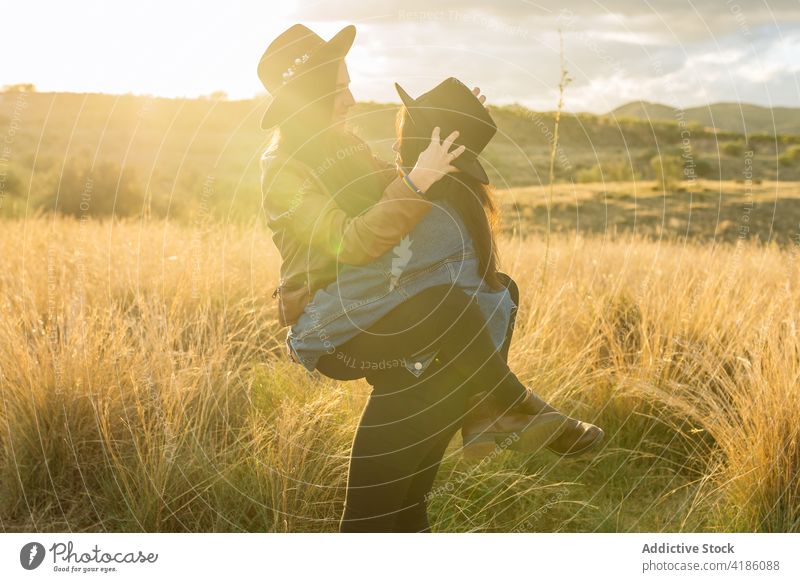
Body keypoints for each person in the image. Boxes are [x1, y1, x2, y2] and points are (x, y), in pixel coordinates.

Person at [257, 25, 604, 533]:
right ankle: (508, 405)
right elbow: (350, 240)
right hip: (331, 323)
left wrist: (442, 124)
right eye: (338, 90)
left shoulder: (344, 146)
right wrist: (418, 178)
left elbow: (397, 195)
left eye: (348, 85)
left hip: (381, 305)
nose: (350, 99)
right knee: (451, 306)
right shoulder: (284, 169)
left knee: (406, 495)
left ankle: (491, 409)